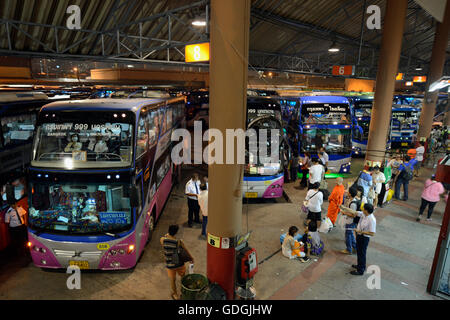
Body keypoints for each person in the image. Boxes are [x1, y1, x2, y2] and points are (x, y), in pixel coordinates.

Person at [340, 203, 376, 275]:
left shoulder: (372, 220)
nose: (362, 210)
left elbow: (372, 233)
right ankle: (360, 265)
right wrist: (344, 208)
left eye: (364, 209)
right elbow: (354, 212)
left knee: (362, 253)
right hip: (359, 236)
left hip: (364, 238)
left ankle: (360, 270)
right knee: (359, 252)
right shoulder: (364, 214)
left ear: (367, 210)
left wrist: (361, 231)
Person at [160, 225, 194, 300]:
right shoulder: (178, 242)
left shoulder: (162, 239)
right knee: (183, 276)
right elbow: (185, 250)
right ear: (176, 232)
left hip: (169, 264)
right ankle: (183, 291)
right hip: (179, 263)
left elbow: (164, 242)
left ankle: (175, 294)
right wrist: (191, 258)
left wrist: (167, 235)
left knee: (172, 280)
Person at [340, 187, 360, 255]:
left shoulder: (353, 204)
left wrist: (344, 212)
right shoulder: (352, 200)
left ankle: (349, 249)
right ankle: (355, 247)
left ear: (350, 194)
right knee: (350, 234)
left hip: (350, 221)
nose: (347, 192)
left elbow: (353, 215)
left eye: (348, 192)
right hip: (350, 221)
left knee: (348, 235)